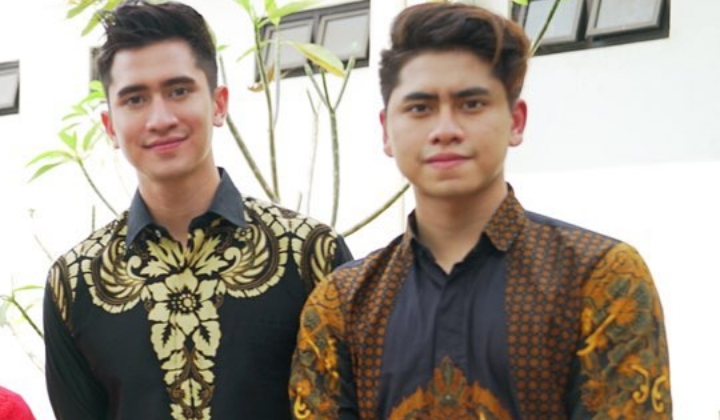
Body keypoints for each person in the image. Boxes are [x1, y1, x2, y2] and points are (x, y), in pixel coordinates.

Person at [289, 3, 672, 419]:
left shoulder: (600, 278)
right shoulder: (342, 302)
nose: (445, 130)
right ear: (386, 131)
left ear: (516, 121)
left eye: (471, 104)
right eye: (420, 108)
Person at [43, 2, 352, 419]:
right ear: (110, 126)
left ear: (219, 104)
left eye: (179, 91)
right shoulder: (75, 283)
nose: (160, 118)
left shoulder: (310, 253)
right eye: (135, 99)